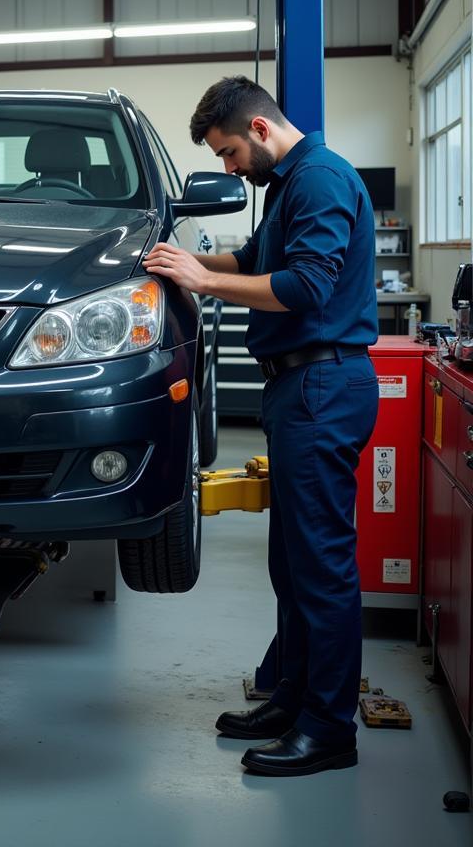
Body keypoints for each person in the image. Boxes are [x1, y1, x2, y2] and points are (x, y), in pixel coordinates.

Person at [143, 76, 379, 777]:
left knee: (322, 568)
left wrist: (205, 282)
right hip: (299, 390)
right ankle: (294, 697)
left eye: (229, 153)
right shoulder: (287, 187)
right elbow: (250, 263)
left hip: (322, 386)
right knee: (292, 565)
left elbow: (306, 285)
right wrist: (177, 267)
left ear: (261, 129)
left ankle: (330, 729)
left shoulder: (322, 181)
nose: (228, 169)